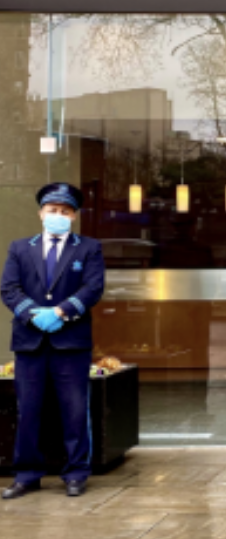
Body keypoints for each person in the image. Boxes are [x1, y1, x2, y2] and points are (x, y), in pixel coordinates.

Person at [0, 183, 105, 499]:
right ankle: (27, 474)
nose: (57, 215)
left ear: (74, 215)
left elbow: (93, 288)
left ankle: (75, 473)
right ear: (40, 213)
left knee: (74, 410)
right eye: (51, 210)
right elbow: (9, 288)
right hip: (30, 341)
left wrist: (60, 311)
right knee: (28, 409)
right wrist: (32, 314)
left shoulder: (88, 248)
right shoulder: (20, 247)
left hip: (70, 341)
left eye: (64, 211)